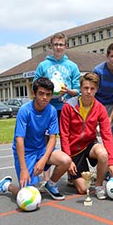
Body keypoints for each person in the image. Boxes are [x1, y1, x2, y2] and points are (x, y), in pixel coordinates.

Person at [0, 77, 72, 200]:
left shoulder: (52, 111)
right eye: (41, 93)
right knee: (29, 196)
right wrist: (24, 169)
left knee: (66, 160)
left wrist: (43, 160)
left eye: (48, 94)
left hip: (42, 149)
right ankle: (7, 186)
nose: (45, 97)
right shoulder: (25, 111)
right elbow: (19, 140)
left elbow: (53, 138)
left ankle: (51, 184)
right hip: (26, 152)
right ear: (34, 93)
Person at [60, 72, 113, 199]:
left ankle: (98, 185)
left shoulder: (100, 108)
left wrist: (111, 163)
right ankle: (75, 175)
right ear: (80, 88)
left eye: (92, 88)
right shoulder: (68, 106)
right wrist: (68, 160)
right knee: (83, 190)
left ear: (96, 90)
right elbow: (64, 135)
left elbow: (107, 135)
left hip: (89, 144)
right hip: (74, 150)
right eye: (85, 88)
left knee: (103, 154)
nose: (88, 91)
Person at [34, 32, 80, 185]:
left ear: (66, 46)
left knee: (69, 141)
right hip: (48, 109)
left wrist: (67, 91)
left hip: (66, 108)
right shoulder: (43, 65)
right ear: (51, 46)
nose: (58, 47)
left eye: (61, 44)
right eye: (56, 44)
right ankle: (46, 179)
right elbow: (36, 85)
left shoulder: (72, 66)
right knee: (47, 142)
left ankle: (72, 175)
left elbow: (77, 90)